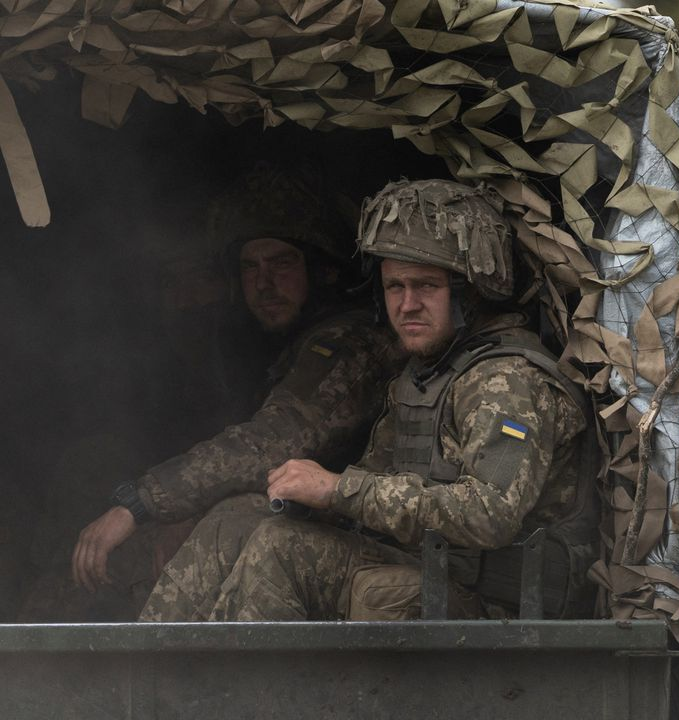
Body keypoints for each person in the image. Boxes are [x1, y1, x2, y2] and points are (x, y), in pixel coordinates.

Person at [140, 178, 599, 622]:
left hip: (503, 607)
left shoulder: (506, 379)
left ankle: (240, 699)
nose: (407, 305)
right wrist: (317, 502)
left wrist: (337, 489)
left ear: (471, 293)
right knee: (236, 519)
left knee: (282, 549)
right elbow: (378, 490)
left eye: (427, 287)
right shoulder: (425, 375)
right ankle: (147, 686)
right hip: (434, 574)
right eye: (395, 287)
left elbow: (489, 513)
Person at [18, 164, 400, 621]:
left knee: (133, 556)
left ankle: (156, 686)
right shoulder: (277, 346)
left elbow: (273, 442)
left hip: (340, 538)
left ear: (324, 273)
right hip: (290, 525)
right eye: (250, 268)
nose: (263, 283)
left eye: (282, 263)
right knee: (79, 573)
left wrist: (141, 503)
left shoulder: (348, 343)